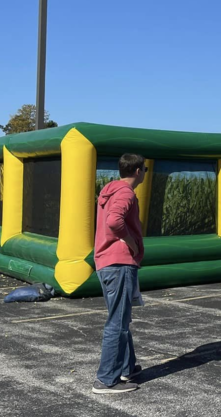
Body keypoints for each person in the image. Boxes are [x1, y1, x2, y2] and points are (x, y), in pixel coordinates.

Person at [92, 153, 147, 394]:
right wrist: (132, 243)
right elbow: (115, 222)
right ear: (137, 171)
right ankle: (106, 379)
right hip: (119, 264)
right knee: (118, 322)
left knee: (121, 318)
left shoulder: (110, 190)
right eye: (144, 169)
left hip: (107, 263)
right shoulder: (126, 193)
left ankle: (127, 367)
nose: (145, 173)